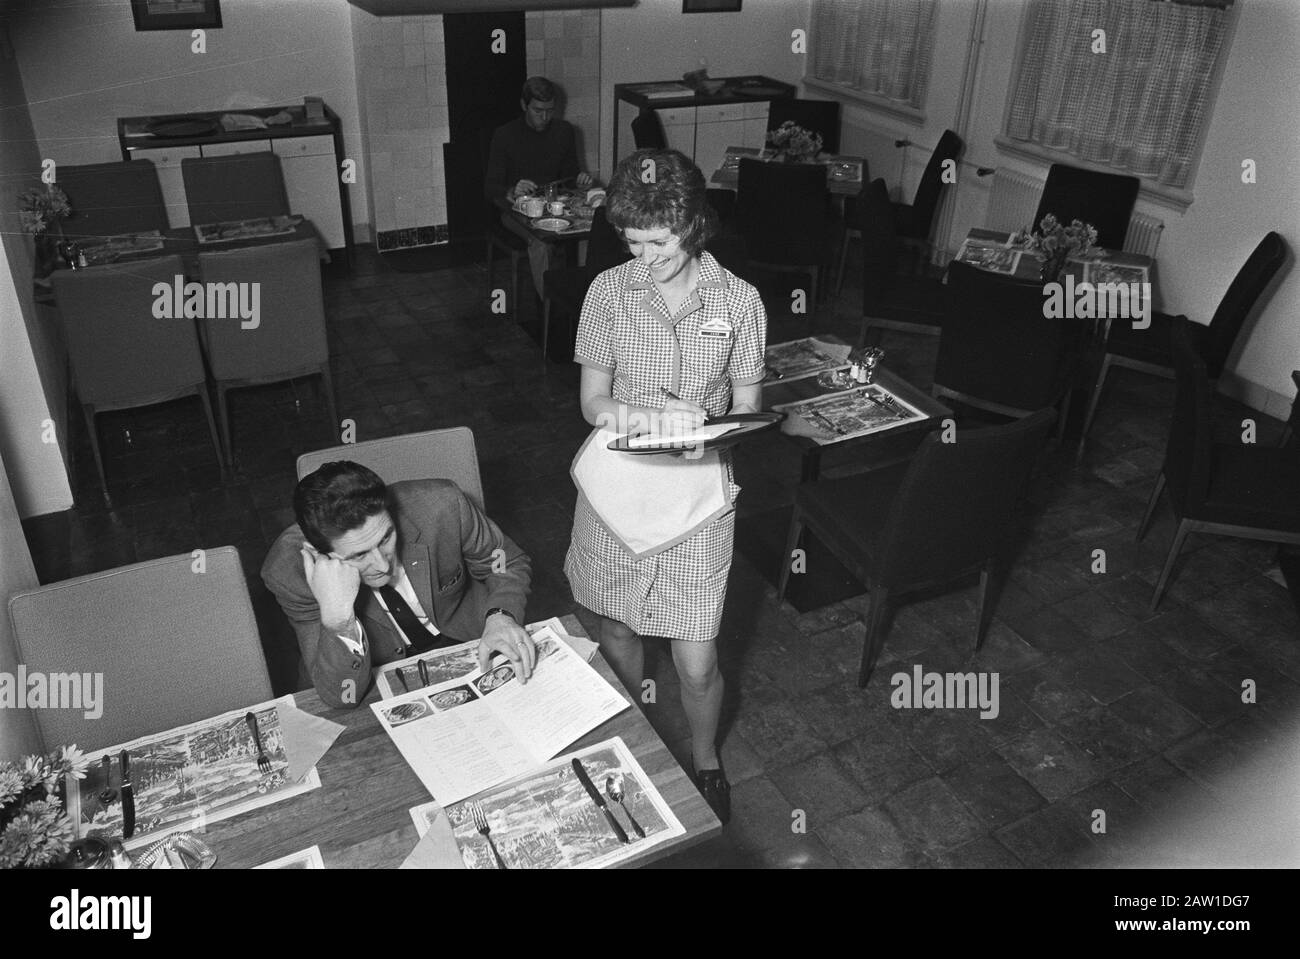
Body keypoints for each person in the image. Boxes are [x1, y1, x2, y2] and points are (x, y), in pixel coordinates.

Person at [563, 148, 767, 824]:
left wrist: (703, 424)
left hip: (695, 499)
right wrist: (642, 416)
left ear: (694, 226)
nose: (644, 256)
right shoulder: (607, 292)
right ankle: (637, 742)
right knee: (617, 629)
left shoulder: (739, 302)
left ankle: (706, 758)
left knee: (697, 659)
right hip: (617, 492)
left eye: (658, 241)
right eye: (631, 241)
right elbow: (593, 400)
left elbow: (746, 411)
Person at [262, 462, 534, 709]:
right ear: (320, 555)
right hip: (371, 674)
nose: (382, 565)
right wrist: (338, 620)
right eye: (359, 555)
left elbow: (503, 561)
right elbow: (344, 696)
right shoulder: (289, 572)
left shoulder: (443, 504)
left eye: (385, 537)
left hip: (468, 639)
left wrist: (501, 616)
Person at [484, 76, 595, 296]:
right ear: (524, 105)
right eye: (538, 111)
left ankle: (589, 298)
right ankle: (549, 304)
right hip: (517, 213)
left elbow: (570, 176)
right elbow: (490, 187)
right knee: (541, 243)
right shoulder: (505, 135)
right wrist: (512, 189)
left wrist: (581, 182)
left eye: (550, 111)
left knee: (598, 227)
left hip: (555, 205)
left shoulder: (564, 131)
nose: (544, 117)